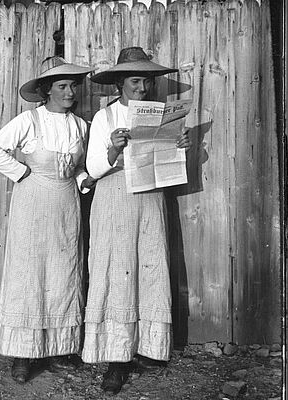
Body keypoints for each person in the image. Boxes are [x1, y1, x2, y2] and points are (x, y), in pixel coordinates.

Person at [82, 47, 191, 394]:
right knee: (117, 267)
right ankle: (116, 358)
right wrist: (113, 149)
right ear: (120, 84)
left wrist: (181, 144)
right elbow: (93, 169)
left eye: (146, 81)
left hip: (150, 197)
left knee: (149, 264)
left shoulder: (159, 114)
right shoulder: (106, 118)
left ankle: (148, 347)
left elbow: (167, 162)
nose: (141, 88)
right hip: (115, 195)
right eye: (134, 81)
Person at [0, 56, 96, 384]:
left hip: (66, 206)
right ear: (47, 90)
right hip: (32, 204)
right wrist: (22, 172)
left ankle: (60, 348)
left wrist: (83, 178)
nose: (70, 91)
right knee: (30, 275)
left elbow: (78, 168)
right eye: (62, 86)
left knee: (64, 272)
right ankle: (24, 354)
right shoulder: (28, 121)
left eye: (73, 85)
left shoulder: (80, 126)